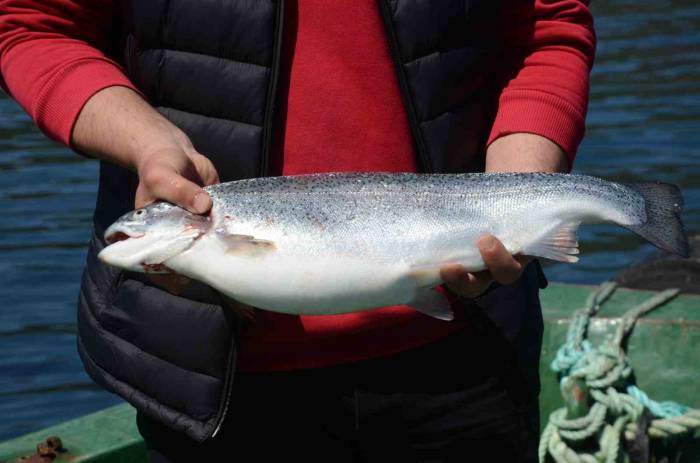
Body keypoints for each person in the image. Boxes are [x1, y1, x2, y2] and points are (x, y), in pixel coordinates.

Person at [0, 0, 595, 461]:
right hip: (210, 379)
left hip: (470, 352)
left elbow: (548, 29)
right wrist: (147, 143)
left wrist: (517, 200)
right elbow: (31, 26)